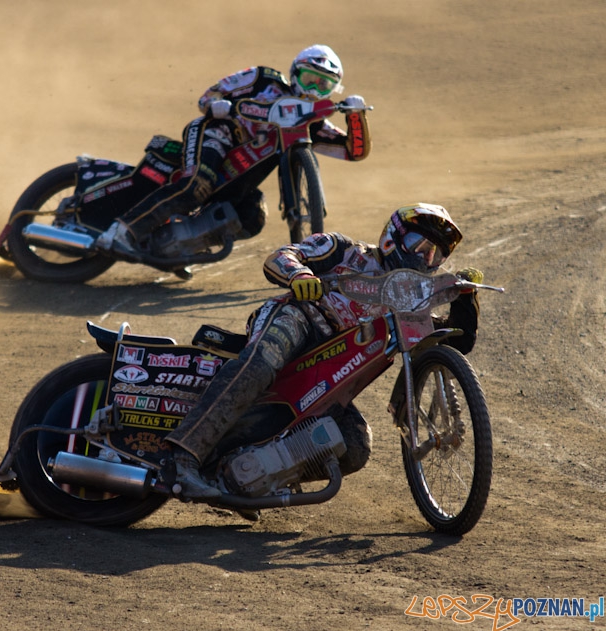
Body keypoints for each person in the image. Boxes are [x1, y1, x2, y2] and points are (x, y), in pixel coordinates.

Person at [164, 203, 484, 498]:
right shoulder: (345, 250)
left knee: (355, 444)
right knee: (264, 362)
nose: (424, 258)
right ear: (393, 237)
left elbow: (452, 341)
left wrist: (465, 298)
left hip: (327, 369)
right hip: (300, 317)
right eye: (419, 245)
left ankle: (247, 481)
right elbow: (281, 256)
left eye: (434, 255)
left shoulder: (408, 302)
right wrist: (300, 274)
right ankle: (183, 455)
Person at [96, 44, 372, 258]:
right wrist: (216, 105)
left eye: (323, 84)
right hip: (217, 133)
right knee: (196, 185)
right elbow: (211, 94)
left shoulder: (313, 126)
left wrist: (356, 116)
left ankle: (178, 248)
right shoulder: (264, 79)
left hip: (238, 179)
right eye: (310, 77)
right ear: (294, 72)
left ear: (333, 90)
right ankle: (121, 232)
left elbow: (353, 151)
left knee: (253, 216)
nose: (313, 89)